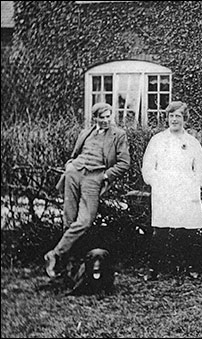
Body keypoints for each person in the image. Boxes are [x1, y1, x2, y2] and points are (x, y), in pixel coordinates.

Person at [44, 102, 131, 279]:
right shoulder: (86, 133)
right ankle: (67, 268)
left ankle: (55, 254)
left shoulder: (118, 135)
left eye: (109, 116)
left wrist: (105, 176)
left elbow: (124, 163)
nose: (106, 120)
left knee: (84, 221)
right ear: (95, 118)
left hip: (94, 177)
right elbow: (74, 156)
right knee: (69, 220)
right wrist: (69, 166)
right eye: (102, 117)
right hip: (74, 174)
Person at [141, 101, 202, 281]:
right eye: (171, 116)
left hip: (186, 191)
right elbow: (148, 167)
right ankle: (154, 268)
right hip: (164, 191)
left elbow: (199, 168)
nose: (174, 119)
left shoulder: (192, 142)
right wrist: (157, 182)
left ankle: (190, 267)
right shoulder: (158, 140)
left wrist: (194, 185)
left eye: (178, 116)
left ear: (184, 119)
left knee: (188, 230)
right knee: (161, 231)